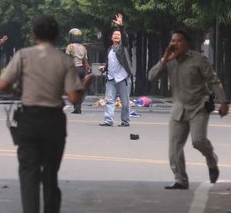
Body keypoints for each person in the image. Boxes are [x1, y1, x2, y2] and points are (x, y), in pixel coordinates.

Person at [0, 15, 92, 213]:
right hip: (54, 121)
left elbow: (3, 84)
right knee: (50, 175)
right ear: (57, 36)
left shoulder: (23, 55)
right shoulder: (64, 61)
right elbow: (74, 98)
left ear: (33, 35)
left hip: (28, 120)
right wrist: (85, 85)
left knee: (28, 173)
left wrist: (20, 92)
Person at [148, 30, 229, 190]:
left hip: (199, 106)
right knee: (174, 148)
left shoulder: (198, 60)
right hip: (179, 108)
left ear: (187, 44)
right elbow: (151, 76)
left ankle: (211, 160)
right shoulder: (169, 60)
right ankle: (181, 180)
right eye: (173, 41)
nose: (174, 44)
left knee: (198, 141)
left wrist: (223, 102)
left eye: (179, 41)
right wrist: (164, 59)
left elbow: (214, 81)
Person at [98, 12, 134, 127]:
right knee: (109, 100)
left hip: (123, 78)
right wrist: (104, 68)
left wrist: (121, 26)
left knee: (125, 102)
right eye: (115, 35)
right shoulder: (110, 49)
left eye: (119, 35)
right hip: (111, 78)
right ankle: (108, 120)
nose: (117, 36)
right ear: (111, 37)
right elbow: (110, 63)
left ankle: (125, 121)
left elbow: (125, 38)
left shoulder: (124, 47)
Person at [65, 28, 91, 114]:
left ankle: (77, 107)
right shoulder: (83, 48)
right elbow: (85, 62)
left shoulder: (70, 46)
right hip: (81, 70)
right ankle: (78, 107)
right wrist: (86, 73)